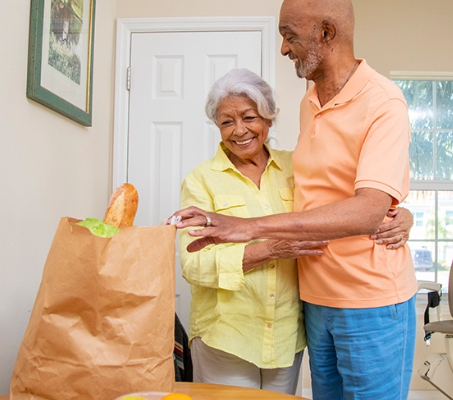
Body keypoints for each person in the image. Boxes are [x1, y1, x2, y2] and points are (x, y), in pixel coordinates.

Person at [170, 1, 417, 399]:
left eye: (289, 36)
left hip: (367, 300)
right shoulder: (310, 103)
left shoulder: (383, 101)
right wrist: (395, 211)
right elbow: (332, 186)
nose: (284, 49)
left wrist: (396, 212)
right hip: (315, 303)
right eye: (226, 121)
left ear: (326, 33)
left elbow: (372, 203)